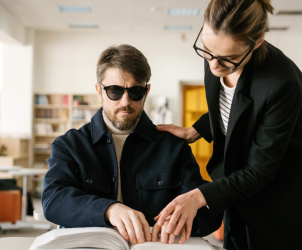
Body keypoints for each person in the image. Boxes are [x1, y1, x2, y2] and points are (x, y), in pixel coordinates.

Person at [155, 0, 302, 250]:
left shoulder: (282, 84)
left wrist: (199, 196)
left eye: (228, 60)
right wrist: (195, 130)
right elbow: (232, 107)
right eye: (206, 51)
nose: (214, 65)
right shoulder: (217, 53)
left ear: (257, 42)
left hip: (278, 205)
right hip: (236, 192)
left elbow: (259, 171)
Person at [41, 44, 220, 245]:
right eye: (115, 91)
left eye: (135, 92)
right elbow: (53, 200)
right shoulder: (69, 145)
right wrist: (108, 209)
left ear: (146, 91)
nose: (126, 101)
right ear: (99, 91)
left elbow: (208, 212)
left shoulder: (173, 147)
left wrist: (184, 220)